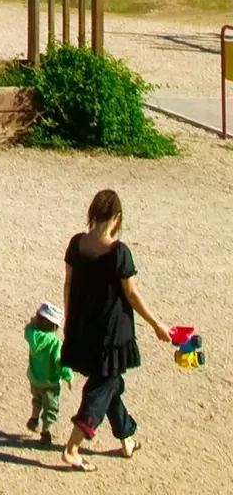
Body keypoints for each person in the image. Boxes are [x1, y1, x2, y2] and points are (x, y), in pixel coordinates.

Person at [60, 189, 172, 470]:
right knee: (104, 385)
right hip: (111, 334)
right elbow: (132, 296)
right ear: (117, 218)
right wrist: (158, 324)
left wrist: (68, 321)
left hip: (83, 329)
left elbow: (68, 285)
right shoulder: (119, 252)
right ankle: (73, 447)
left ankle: (127, 437)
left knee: (110, 384)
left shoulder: (77, 244)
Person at [24, 302, 72, 445]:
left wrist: (33, 323)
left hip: (34, 378)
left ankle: (34, 418)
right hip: (50, 382)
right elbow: (60, 363)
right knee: (50, 408)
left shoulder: (31, 334)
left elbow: (28, 327)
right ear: (55, 326)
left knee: (37, 399)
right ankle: (46, 431)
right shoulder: (55, 343)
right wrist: (68, 376)